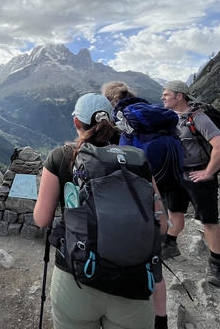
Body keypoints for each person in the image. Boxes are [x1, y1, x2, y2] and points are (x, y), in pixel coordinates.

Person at [34, 93, 167, 329]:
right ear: (111, 123)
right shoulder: (135, 160)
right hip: (133, 283)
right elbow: (163, 224)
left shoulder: (61, 156)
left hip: (77, 276)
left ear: (77, 123)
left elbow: (42, 219)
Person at [103, 82, 171, 329]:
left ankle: (122, 304)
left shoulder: (116, 119)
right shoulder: (147, 109)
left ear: (109, 99)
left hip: (131, 191)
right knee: (154, 261)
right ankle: (161, 318)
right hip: (157, 180)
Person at [161, 80, 220, 287]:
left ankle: (216, 265)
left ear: (179, 96)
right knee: (174, 213)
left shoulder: (198, 118)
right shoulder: (171, 117)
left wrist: (208, 172)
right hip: (177, 175)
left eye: (166, 94)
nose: (163, 97)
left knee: (208, 222)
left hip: (198, 177)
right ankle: (171, 245)